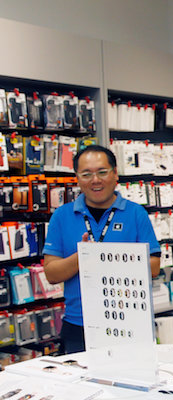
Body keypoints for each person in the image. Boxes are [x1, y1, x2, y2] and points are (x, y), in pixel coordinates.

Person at [43, 144, 160, 354]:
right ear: (77, 178)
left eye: (102, 172)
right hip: (79, 324)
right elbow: (51, 274)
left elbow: (153, 267)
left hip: (129, 322)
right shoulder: (61, 216)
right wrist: (83, 256)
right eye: (86, 174)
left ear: (115, 174)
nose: (95, 180)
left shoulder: (136, 213)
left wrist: (106, 257)